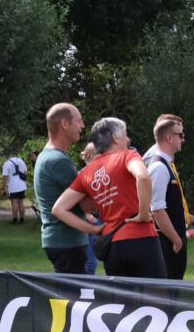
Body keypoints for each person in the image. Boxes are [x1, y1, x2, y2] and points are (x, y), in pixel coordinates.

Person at [52, 117, 165, 279]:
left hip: (111, 244)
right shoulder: (127, 155)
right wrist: (144, 214)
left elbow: (59, 208)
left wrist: (92, 229)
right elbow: (143, 177)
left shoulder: (86, 172)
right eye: (125, 134)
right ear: (115, 137)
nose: (128, 139)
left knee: (121, 301)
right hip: (141, 238)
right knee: (156, 299)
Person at [142, 114, 194, 280]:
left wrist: (192, 221)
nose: (183, 139)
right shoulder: (159, 166)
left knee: (173, 286)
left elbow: (173, 205)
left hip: (172, 241)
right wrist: (176, 239)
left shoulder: (167, 164)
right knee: (165, 291)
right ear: (169, 138)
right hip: (166, 243)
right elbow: (156, 209)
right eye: (181, 135)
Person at [35, 103, 90, 273]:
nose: (82, 126)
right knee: (70, 298)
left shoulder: (49, 156)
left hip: (61, 242)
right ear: (65, 124)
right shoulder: (58, 161)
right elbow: (87, 204)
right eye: (78, 121)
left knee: (66, 297)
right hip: (67, 243)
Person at [79, 142, 100, 275]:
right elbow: (76, 199)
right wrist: (87, 215)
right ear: (89, 155)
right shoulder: (82, 175)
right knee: (90, 262)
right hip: (89, 222)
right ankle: (85, 292)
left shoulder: (101, 174)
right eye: (97, 154)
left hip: (102, 220)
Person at [1, 151, 28, 224]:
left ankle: (15, 219)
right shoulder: (21, 161)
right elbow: (25, 173)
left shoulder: (7, 164)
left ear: (7, 156)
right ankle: (22, 219)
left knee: (14, 203)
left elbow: (5, 177)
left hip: (13, 186)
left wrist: (4, 187)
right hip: (22, 185)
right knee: (21, 203)